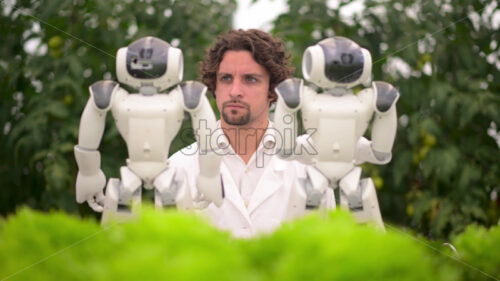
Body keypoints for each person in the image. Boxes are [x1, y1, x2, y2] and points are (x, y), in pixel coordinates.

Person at [169, 29, 335, 238]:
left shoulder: (310, 167)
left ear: (273, 89)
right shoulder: (179, 167)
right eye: (226, 78)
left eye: (250, 79)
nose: (235, 91)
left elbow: (329, 247)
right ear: (214, 85)